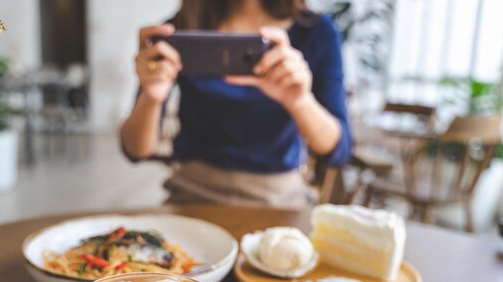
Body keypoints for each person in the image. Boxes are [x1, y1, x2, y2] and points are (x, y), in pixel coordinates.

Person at [120, 0, 352, 208]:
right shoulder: (177, 30)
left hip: (279, 200)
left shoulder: (317, 33)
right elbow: (136, 150)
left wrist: (300, 101)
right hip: (191, 195)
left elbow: (338, 151)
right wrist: (151, 98)